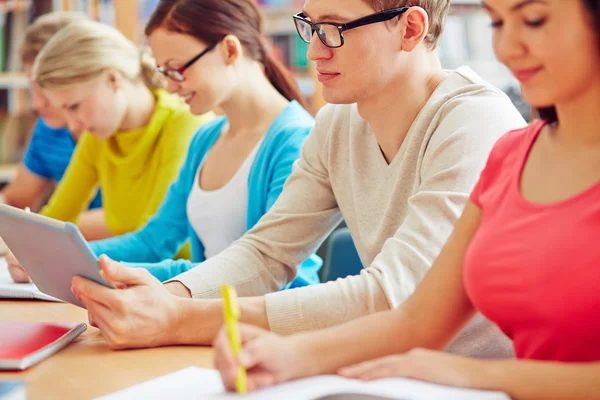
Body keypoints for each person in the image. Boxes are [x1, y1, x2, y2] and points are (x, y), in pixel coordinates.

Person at [70, 0, 526, 354]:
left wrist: (179, 318)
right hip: (391, 368)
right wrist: (172, 293)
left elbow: (392, 295)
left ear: (409, 28)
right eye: (309, 26)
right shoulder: (337, 123)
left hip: (482, 382)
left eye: (334, 30)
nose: (313, 50)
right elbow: (267, 253)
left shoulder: (474, 121)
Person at [211, 0, 600, 397]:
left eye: (534, 21)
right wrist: (289, 355)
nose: (505, 48)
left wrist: (478, 376)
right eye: (497, 23)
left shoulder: (478, 122)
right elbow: (417, 319)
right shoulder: (513, 154)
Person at [76, 0, 322, 287]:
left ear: (229, 51)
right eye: (163, 73)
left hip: (267, 326)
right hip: (207, 314)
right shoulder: (206, 139)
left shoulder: (297, 141)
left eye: (177, 69)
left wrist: (122, 273)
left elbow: (268, 271)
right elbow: (155, 240)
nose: (169, 86)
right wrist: (77, 258)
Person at [5, 19, 213, 282]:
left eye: (74, 106)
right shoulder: (98, 135)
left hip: (179, 288)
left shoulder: (186, 124)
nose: (72, 125)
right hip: (125, 284)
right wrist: (29, 252)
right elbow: (56, 217)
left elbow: (156, 241)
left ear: (113, 78)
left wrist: (52, 257)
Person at [0, 12, 101, 226]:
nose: (35, 105)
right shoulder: (48, 127)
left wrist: (46, 229)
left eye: (44, 90)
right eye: (31, 89)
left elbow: (132, 221)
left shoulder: (108, 129)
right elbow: (16, 199)